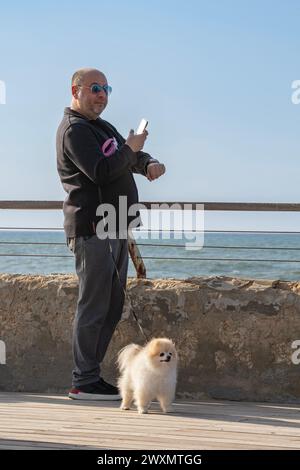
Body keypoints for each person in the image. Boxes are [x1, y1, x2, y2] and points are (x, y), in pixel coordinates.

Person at [56, 68, 166, 400]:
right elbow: (102, 171)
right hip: (93, 228)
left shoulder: (101, 127)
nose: (102, 94)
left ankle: (90, 376)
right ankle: (83, 381)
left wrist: (145, 161)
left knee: (112, 305)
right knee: (93, 305)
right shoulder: (74, 131)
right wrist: (131, 150)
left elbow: (122, 156)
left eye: (106, 88)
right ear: (76, 91)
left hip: (117, 226)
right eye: (95, 88)